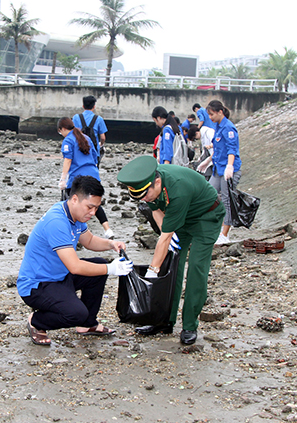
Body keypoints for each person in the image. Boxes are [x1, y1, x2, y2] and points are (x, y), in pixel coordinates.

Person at [117, 155, 224, 345]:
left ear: (157, 181)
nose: (145, 198)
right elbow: (158, 213)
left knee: (196, 268)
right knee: (172, 265)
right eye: (140, 197)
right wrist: (166, 234)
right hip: (181, 216)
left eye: (146, 194)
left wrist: (152, 272)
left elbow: (165, 236)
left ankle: (189, 325)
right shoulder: (147, 185)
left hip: (206, 216)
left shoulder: (177, 188)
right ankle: (164, 320)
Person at [17, 175, 132, 346]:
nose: (93, 213)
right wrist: (111, 269)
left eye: (96, 208)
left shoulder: (76, 216)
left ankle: (87, 325)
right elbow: (75, 266)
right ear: (75, 199)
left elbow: (90, 241)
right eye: (90, 207)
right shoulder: (57, 221)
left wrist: (111, 244)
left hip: (60, 276)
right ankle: (37, 321)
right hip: (37, 285)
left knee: (99, 264)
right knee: (76, 312)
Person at [57, 117, 115, 239]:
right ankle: (107, 229)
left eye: (60, 132)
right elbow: (95, 157)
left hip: (78, 178)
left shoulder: (68, 141)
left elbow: (68, 160)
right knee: (95, 203)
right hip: (93, 174)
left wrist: (63, 179)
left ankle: (72, 231)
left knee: (72, 204)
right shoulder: (86, 138)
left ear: (62, 129)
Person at [197, 100, 242, 245]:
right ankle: (209, 226)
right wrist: (207, 161)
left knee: (227, 201)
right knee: (208, 194)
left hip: (228, 171)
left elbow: (231, 150)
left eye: (211, 114)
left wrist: (230, 166)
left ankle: (224, 233)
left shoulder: (229, 128)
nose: (210, 117)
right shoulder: (218, 127)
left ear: (220, 112)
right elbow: (218, 148)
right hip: (217, 168)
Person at [72, 95, 108, 163]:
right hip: (93, 150)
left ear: (83, 106)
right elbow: (103, 137)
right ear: (94, 106)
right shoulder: (98, 119)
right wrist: (101, 144)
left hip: (79, 149)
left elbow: (73, 134)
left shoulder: (76, 117)